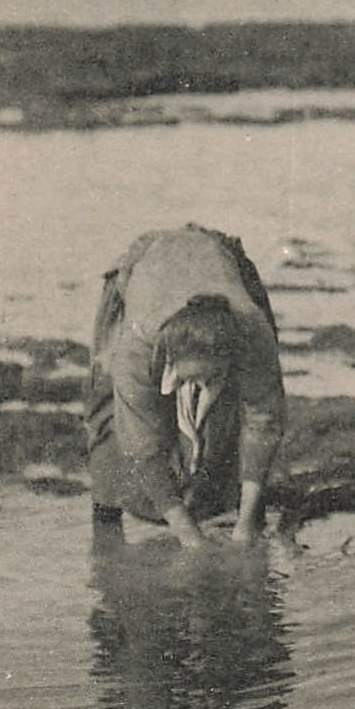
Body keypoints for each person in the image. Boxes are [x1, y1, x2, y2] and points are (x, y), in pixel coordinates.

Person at [84, 224, 286, 547]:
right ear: (169, 359)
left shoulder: (251, 330)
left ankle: (249, 517)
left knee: (233, 418)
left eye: (211, 376)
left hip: (216, 256)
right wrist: (189, 537)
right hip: (144, 268)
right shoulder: (137, 346)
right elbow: (142, 446)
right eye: (190, 378)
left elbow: (263, 419)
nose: (200, 385)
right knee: (110, 421)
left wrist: (245, 526)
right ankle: (106, 541)